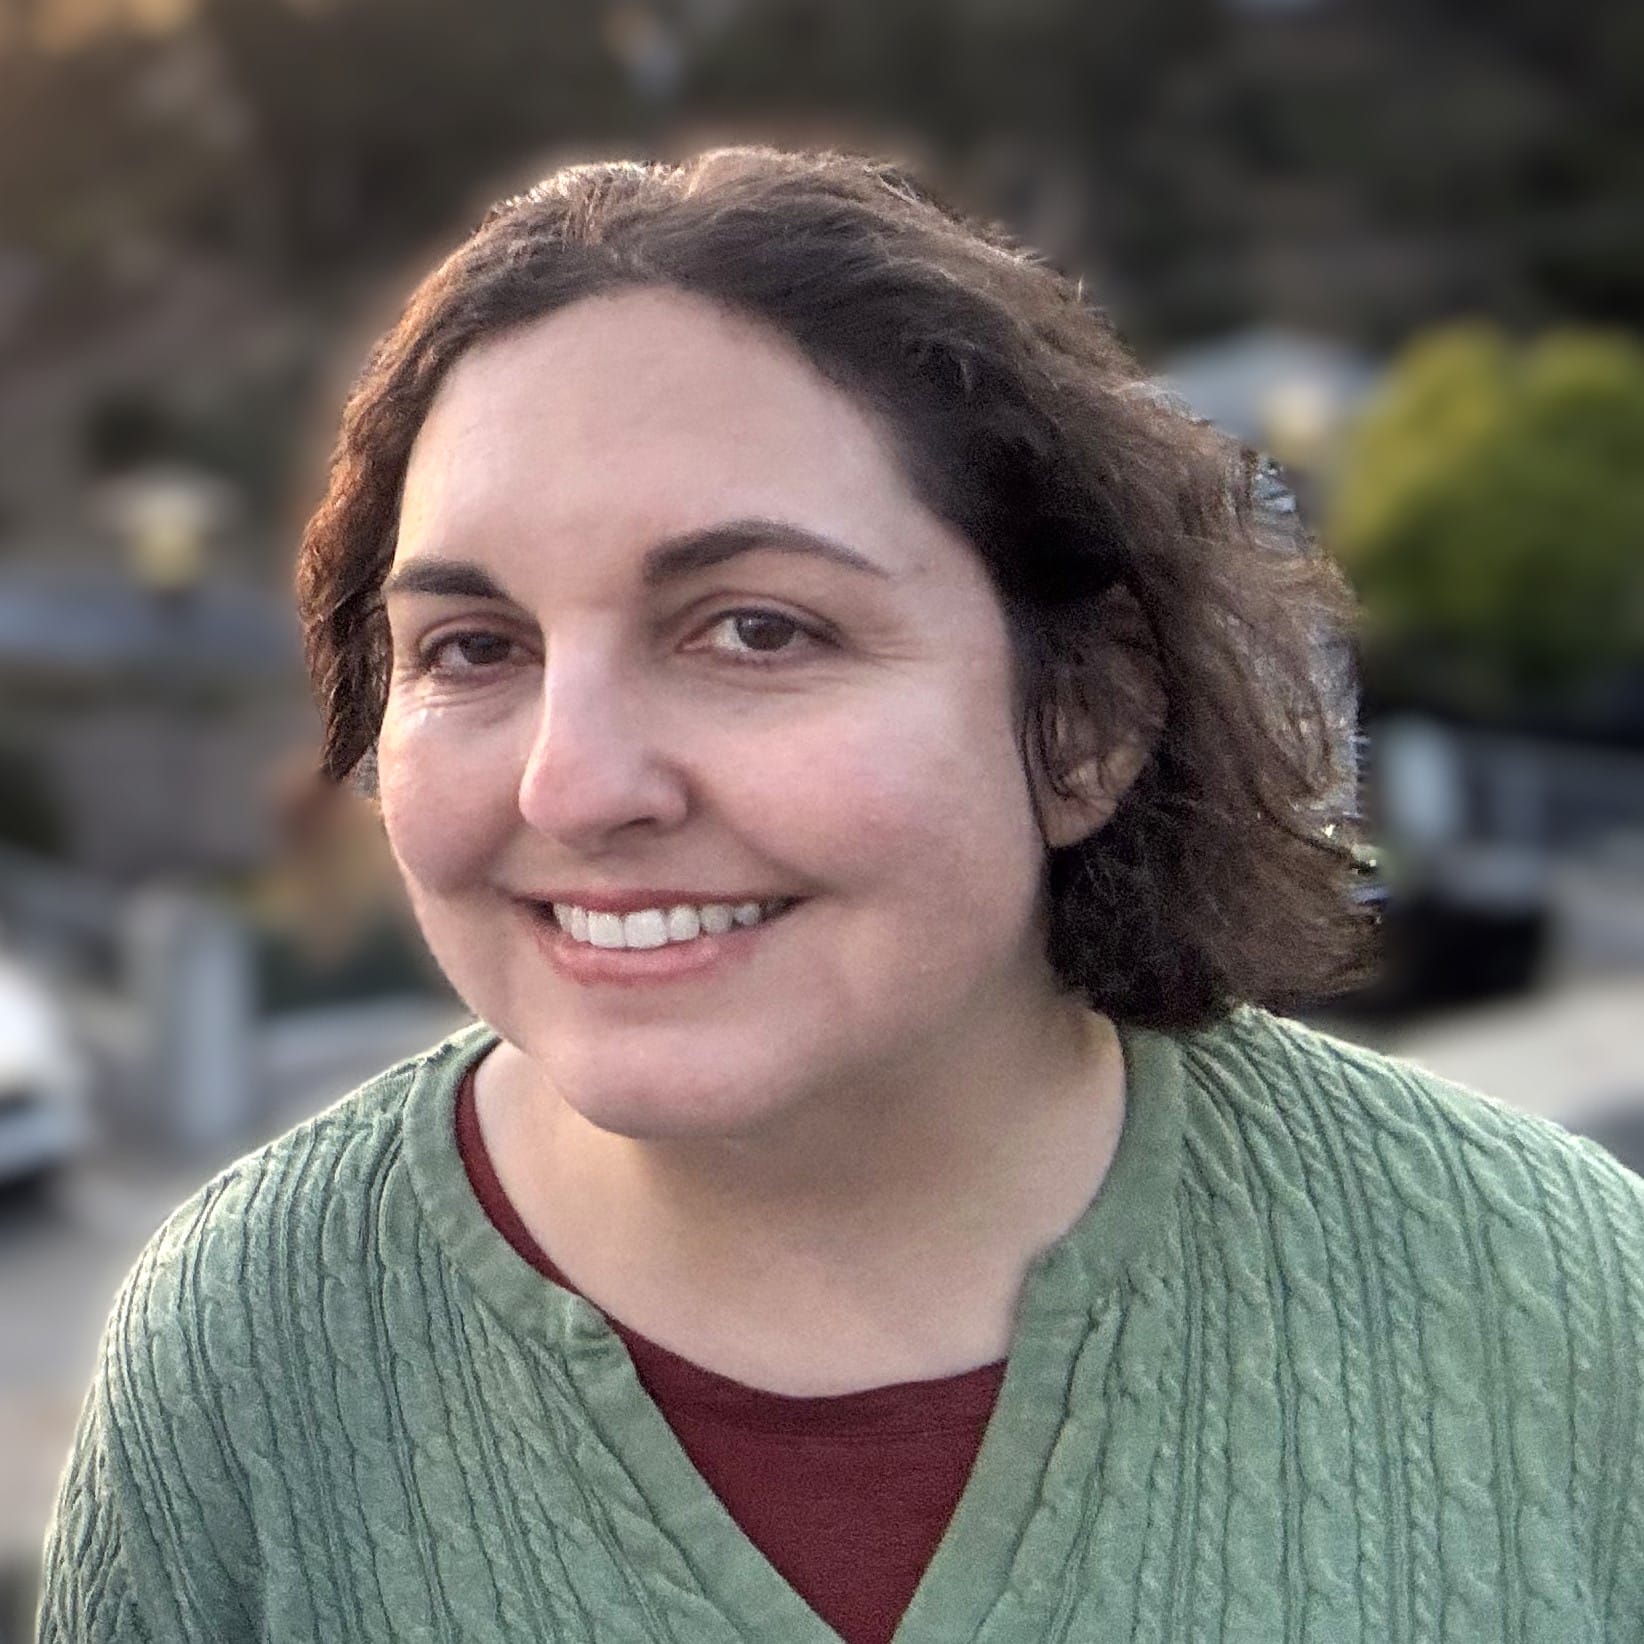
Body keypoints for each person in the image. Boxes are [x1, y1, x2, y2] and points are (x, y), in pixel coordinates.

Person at [38, 147, 1644, 1644]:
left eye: (756, 629)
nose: (573, 786)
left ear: (1086, 718)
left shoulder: (1565, 1303)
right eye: (473, 648)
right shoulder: (246, 1362)